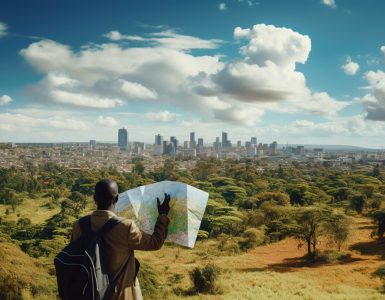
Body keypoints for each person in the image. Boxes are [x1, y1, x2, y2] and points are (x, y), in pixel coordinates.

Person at [71, 179, 170, 300]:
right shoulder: (126, 227)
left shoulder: (78, 225)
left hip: (87, 294)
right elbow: (155, 242)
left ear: (94, 198)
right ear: (116, 198)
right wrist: (163, 216)